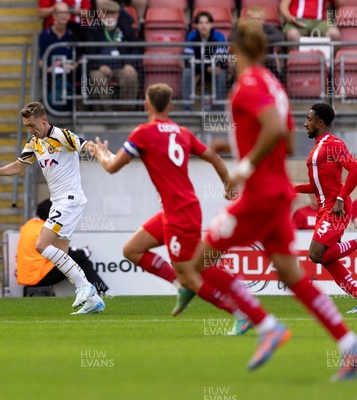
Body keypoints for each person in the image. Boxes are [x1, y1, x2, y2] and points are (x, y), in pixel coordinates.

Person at [124, 21, 357, 380]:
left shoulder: (247, 86)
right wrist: (239, 148)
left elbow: (273, 131)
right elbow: (284, 141)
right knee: (291, 275)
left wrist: (244, 165)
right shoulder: (275, 85)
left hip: (257, 197)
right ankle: (351, 345)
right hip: (277, 194)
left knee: (195, 263)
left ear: (236, 50)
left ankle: (264, 324)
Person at [93, 83, 253, 334]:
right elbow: (215, 157)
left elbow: (112, 166)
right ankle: (181, 285)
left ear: (146, 105)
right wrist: (228, 186)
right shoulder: (182, 132)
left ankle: (240, 313)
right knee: (132, 250)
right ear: (170, 106)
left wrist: (100, 153)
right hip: (176, 210)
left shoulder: (143, 133)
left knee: (194, 272)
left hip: (181, 212)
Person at [0, 101, 106, 315]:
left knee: (41, 245)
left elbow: (86, 147)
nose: (30, 129)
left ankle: (85, 287)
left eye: (32, 125)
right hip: (58, 201)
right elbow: (19, 166)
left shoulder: (61, 136)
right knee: (60, 254)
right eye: (27, 126)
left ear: (43, 120)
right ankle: (93, 300)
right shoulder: (34, 143)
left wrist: (103, 154)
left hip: (69, 199)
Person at [296, 103, 357, 314]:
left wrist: (341, 199)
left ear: (320, 122)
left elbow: (355, 170)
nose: (305, 123)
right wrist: (292, 189)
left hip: (336, 208)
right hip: (325, 208)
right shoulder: (317, 148)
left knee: (316, 254)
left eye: (309, 119)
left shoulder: (333, 144)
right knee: (326, 258)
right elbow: (317, 187)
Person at [17, 199, 109, 295]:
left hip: (26, 276)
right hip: (38, 276)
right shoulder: (45, 230)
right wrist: (84, 252)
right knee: (82, 261)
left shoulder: (29, 224)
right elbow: (62, 252)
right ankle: (102, 292)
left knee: (76, 259)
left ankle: (94, 291)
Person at [84, 0, 140, 110]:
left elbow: (136, 49)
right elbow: (88, 52)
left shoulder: (127, 30)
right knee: (97, 77)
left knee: (130, 75)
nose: (109, 16)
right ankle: (107, 112)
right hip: (101, 68)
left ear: (118, 14)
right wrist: (100, 65)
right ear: (101, 14)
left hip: (121, 68)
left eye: (112, 13)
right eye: (106, 13)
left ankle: (126, 112)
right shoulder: (93, 30)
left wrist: (129, 64)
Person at [182, 11, 228, 111]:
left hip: (215, 68)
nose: (204, 26)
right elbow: (188, 60)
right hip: (198, 68)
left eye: (206, 23)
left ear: (211, 24)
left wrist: (217, 66)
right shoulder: (191, 36)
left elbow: (223, 57)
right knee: (187, 72)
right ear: (197, 25)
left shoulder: (219, 37)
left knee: (222, 74)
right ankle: (187, 109)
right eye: (201, 23)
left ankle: (219, 110)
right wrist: (206, 68)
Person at [38, 2, 79, 111]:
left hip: (70, 76)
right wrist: (47, 68)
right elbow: (41, 60)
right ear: (54, 15)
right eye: (60, 12)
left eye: (66, 12)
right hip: (52, 77)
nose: (63, 15)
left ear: (70, 16)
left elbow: (79, 58)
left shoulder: (74, 34)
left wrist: (73, 65)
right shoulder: (44, 35)